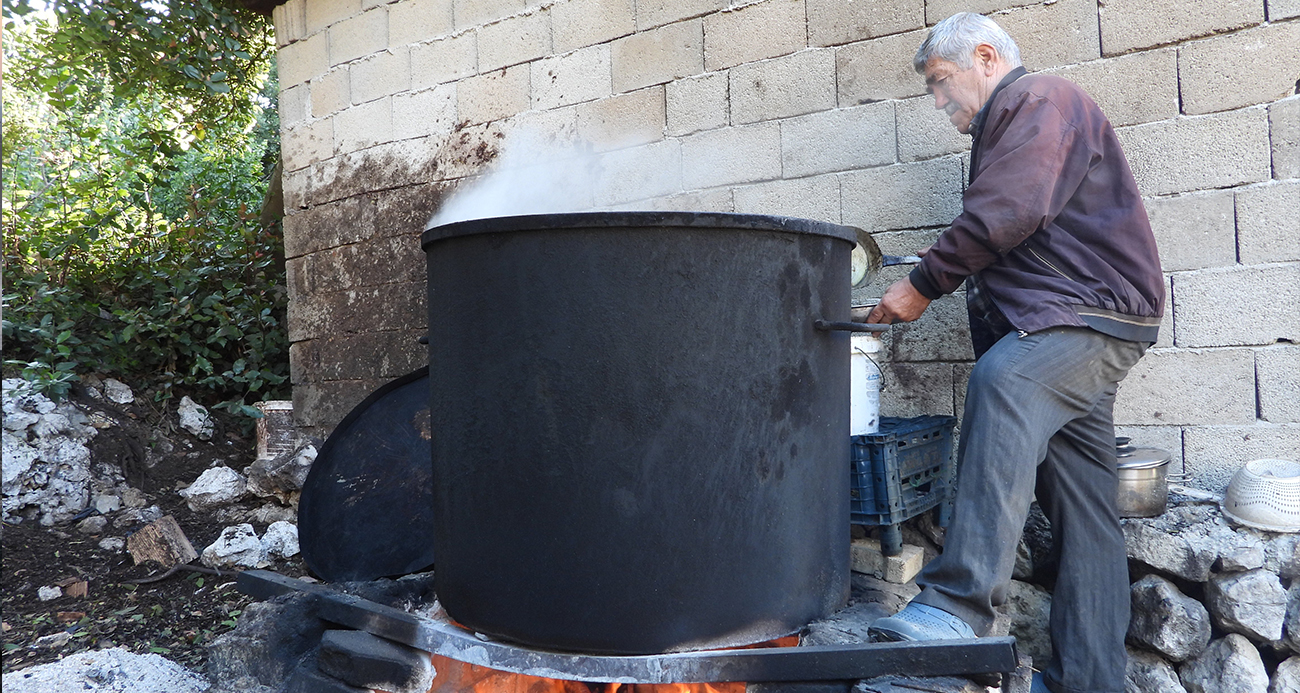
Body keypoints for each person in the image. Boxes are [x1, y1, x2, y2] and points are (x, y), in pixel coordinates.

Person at [858, 12, 1165, 693]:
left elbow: (1008, 211)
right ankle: (1090, 680)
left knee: (1003, 381)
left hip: (1084, 317)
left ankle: (959, 605)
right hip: (1084, 320)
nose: (940, 102)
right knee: (1083, 506)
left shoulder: (1039, 99)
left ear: (987, 58)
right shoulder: (1016, 121)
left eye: (941, 83)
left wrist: (923, 283)